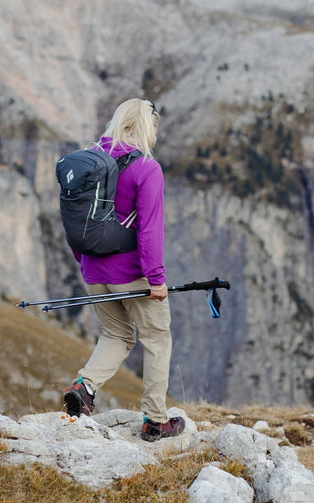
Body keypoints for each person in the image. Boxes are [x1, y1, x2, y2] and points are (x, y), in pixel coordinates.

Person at [61, 98, 183, 442]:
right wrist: (156, 279)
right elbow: (149, 230)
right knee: (157, 338)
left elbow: (73, 216)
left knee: (117, 335)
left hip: (93, 270)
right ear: (148, 127)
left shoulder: (89, 158)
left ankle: (85, 388)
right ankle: (156, 420)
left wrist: (83, 259)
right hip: (132, 274)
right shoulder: (147, 168)